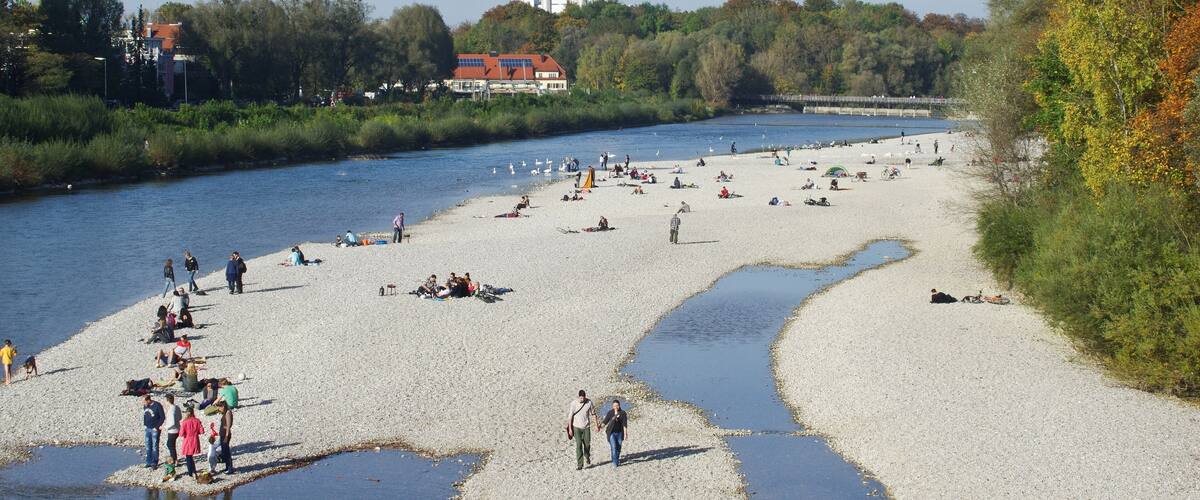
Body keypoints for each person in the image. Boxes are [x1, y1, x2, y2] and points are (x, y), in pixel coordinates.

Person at [567, 390, 599, 470]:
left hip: (586, 427)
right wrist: (570, 429)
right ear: (578, 397)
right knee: (579, 444)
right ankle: (580, 464)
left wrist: (596, 425)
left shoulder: (589, 403)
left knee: (587, 444)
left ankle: (587, 456)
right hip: (576, 427)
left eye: (583, 397)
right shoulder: (574, 403)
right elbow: (570, 417)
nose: (582, 399)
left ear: (585, 396)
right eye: (581, 398)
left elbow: (594, 414)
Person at [600, 400, 629, 467]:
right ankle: (615, 462)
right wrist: (599, 427)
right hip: (611, 433)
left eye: (617, 405)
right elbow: (605, 421)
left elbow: (625, 424)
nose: (616, 407)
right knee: (613, 447)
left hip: (620, 433)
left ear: (619, 405)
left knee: (618, 448)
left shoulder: (623, 413)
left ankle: (616, 459)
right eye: (614, 406)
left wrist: (625, 434)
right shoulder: (610, 413)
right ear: (612, 406)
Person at [178, 407, 204, 479]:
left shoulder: (185, 422)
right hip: (195, 440)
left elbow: (181, 434)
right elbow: (202, 431)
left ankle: (191, 473)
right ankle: (194, 471)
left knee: (188, 457)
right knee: (191, 457)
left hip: (187, 440)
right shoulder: (197, 420)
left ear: (186, 413)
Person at [143, 395, 165, 469]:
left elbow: (162, 417)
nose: (144, 403)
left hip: (155, 429)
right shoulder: (145, 406)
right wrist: (145, 424)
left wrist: (157, 427)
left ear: (148, 400)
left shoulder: (157, 405)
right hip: (147, 428)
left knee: (155, 446)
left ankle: (154, 462)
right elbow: (145, 415)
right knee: (148, 445)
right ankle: (148, 462)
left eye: (145, 401)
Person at [163, 394, 182, 464]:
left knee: (170, 445)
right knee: (172, 445)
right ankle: (175, 459)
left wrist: (165, 427)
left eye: (165, 400)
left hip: (172, 431)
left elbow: (172, 422)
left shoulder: (171, 410)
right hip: (177, 429)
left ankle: (174, 460)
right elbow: (180, 417)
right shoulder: (177, 407)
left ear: (167, 401)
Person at [217, 402, 235, 474]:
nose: (219, 409)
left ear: (223, 406)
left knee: (226, 452)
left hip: (225, 435)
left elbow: (228, 425)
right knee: (225, 450)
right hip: (223, 434)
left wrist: (227, 436)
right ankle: (227, 467)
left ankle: (230, 468)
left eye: (219, 407)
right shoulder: (225, 413)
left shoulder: (228, 413)